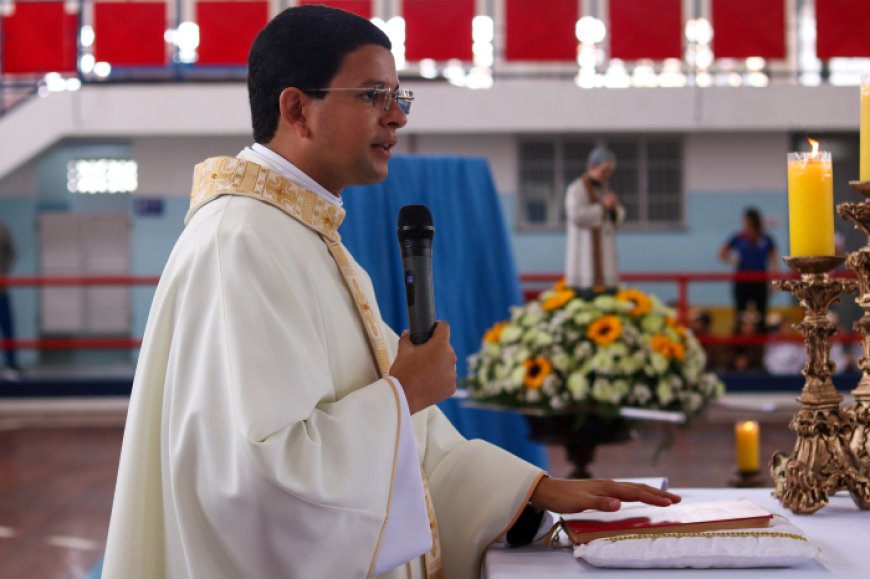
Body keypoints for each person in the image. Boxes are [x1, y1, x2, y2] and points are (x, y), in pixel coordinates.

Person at [102, 7, 678, 579]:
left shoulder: (304, 235)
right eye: (374, 94)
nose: (396, 117)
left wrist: (532, 491)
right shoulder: (242, 243)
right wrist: (404, 391)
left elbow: (411, 438)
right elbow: (256, 479)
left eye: (399, 97)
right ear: (297, 108)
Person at [564, 146, 625, 296]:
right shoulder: (576, 189)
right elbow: (576, 215)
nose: (607, 175)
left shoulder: (604, 189)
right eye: (604, 171)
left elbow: (617, 216)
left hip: (606, 255)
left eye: (610, 172)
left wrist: (613, 209)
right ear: (592, 167)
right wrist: (603, 206)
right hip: (584, 256)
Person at [718, 207, 778, 334]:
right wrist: (734, 260)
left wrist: (774, 282)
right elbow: (722, 253)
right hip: (742, 280)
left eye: (747, 221)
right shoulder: (739, 237)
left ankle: (761, 346)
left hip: (760, 280)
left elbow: (773, 261)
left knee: (761, 314)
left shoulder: (766, 239)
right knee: (740, 314)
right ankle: (739, 347)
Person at [0, 220, 20, 379]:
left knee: (8, 327)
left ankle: (11, 364)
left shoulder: (2, 229)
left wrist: (3, 272)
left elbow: (12, 252)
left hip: (1, 290)